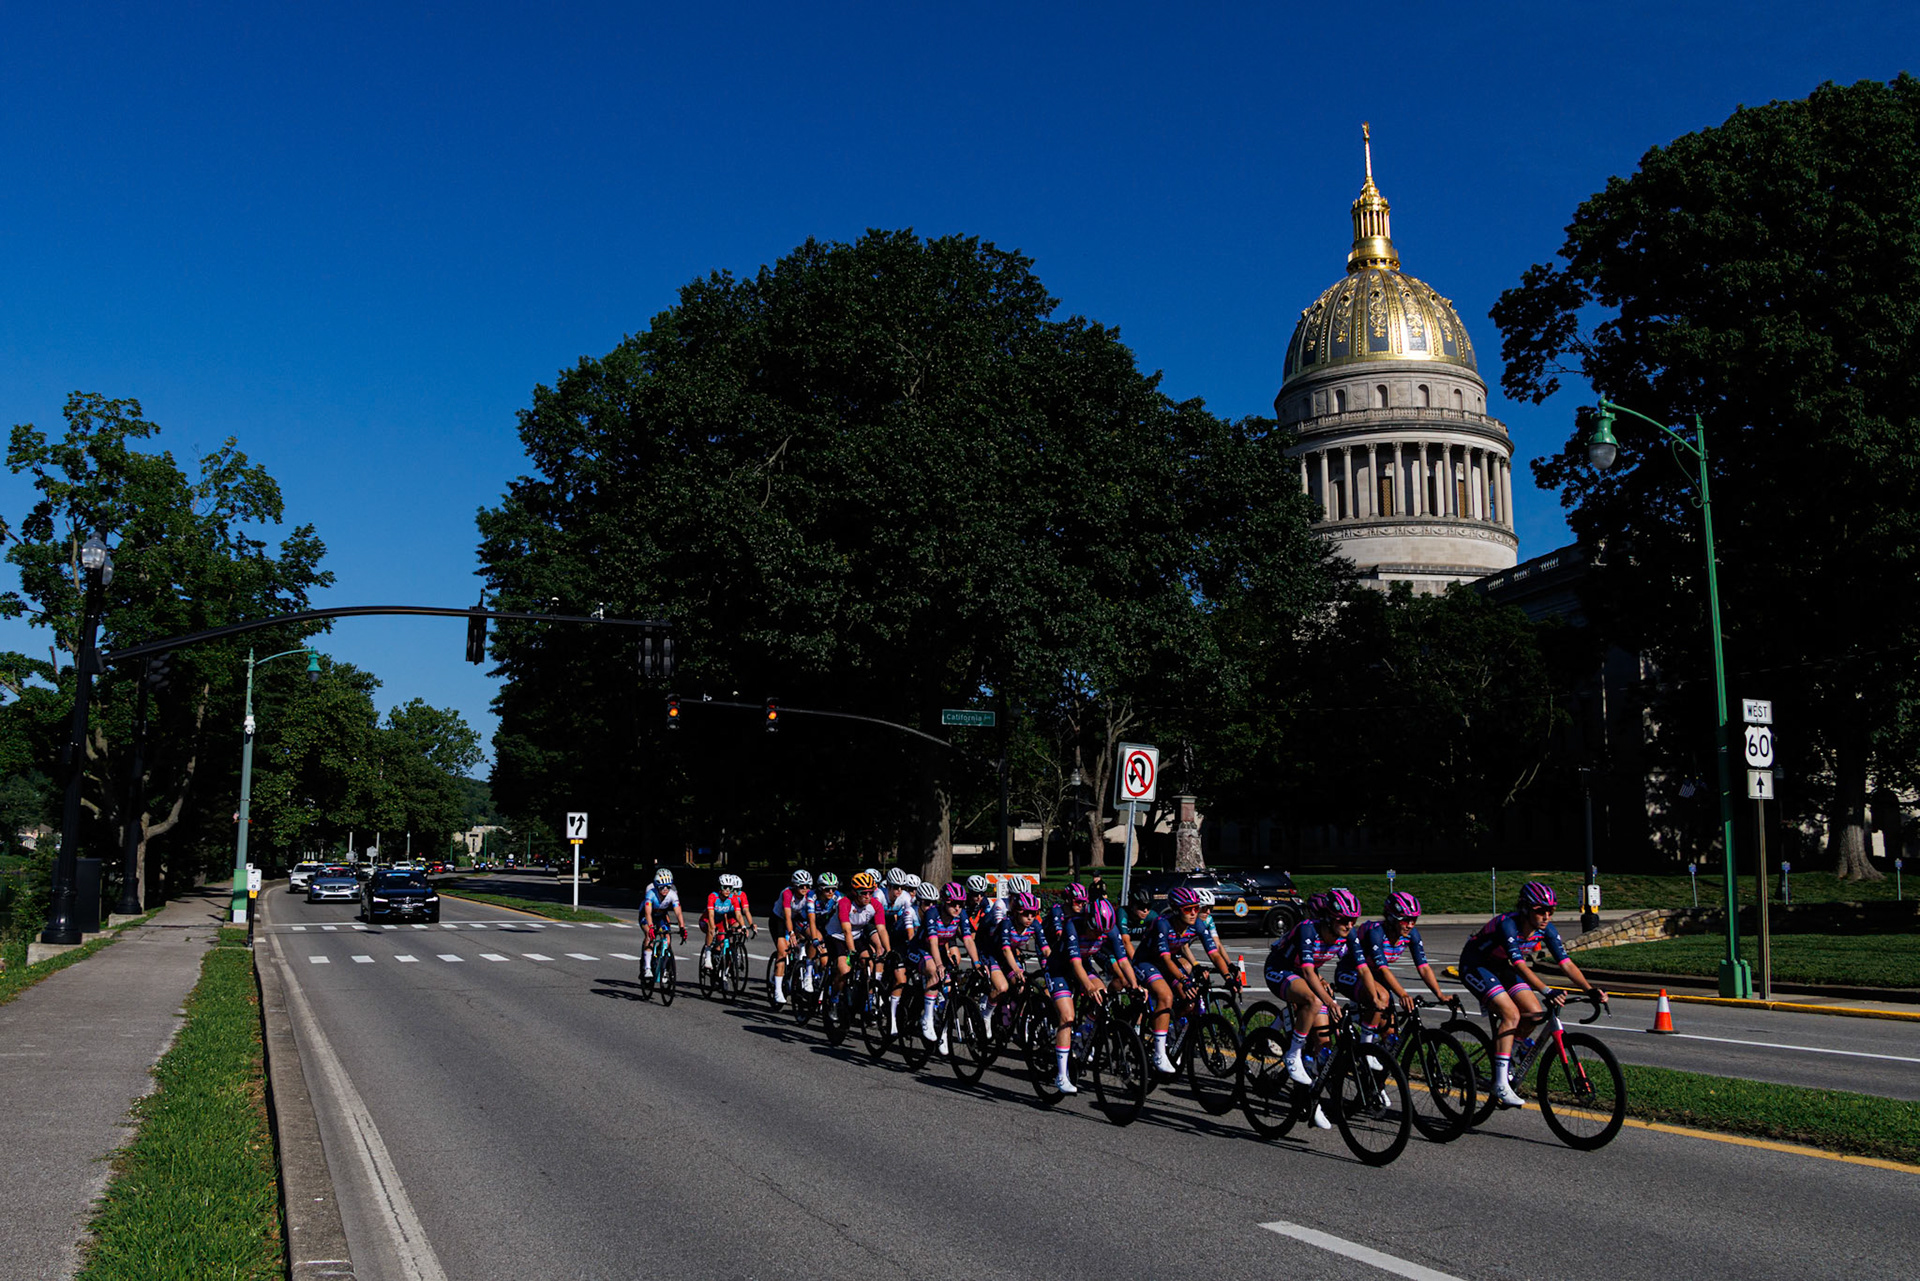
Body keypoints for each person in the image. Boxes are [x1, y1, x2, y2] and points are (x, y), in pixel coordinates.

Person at [1459, 882, 1605, 1108]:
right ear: (1526, 909)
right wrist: (1546, 990)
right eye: (1540, 911)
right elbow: (1519, 965)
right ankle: (1500, 1083)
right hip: (1475, 964)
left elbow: (1566, 964)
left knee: (1535, 1013)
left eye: (1551, 911)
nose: (1546, 916)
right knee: (1511, 1014)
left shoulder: (1547, 929)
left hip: (1500, 966)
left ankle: (1507, 1059)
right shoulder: (1508, 925)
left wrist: (1590, 989)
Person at [1262, 888, 1362, 1128]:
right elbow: (1306, 970)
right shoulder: (1308, 928)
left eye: (1353, 920)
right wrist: (1329, 1001)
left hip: (1304, 973)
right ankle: (1292, 1053)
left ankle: (1310, 1098)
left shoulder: (1347, 934)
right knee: (1314, 1001)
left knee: (1322, 1042)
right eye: (1343, 920)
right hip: (1280, 969)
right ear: (1328, 918)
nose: (1349, 925)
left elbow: (1363, 968)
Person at [1334, 891, 1448, 1037]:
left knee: (1390, 1034)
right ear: (1391, 919)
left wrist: (1440, 995)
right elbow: (1383, 970)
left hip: (1374, 977)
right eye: (1405, 920)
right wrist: (1403, 995)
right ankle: (1366, 1049)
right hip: (1351, 972)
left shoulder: (1411, 935)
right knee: (1382, 997)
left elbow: (1424, 968)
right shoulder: (1376, 933)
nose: (1410, 925)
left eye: (1414, 920)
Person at [1038, 883, 1107, 1094]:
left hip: (1079, 960)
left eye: (1083, 902)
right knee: (1067, 1016)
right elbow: (1060, 940)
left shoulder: (1098, 924)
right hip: (1058, 965)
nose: (1080, 905)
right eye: (1077, 902)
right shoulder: (1063, 917)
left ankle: (1082, 1034)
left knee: (1103, 995)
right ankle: (1061, 1074)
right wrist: (1087, 985)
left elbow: (1118, 959)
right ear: (1068, 901)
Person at [823, 870, 892, 1008]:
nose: (867, 896)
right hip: (837, 936)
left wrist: (889, 951)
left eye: (870, 892)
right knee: (844, 970)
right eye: (863, 893)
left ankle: (867, 999)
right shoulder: (845, 903)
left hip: (857, 936)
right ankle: (834, 998)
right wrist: (852, 952)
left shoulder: (875, 905)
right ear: (855, 892)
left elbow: (882, 929)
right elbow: (846, 930)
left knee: (870, 965)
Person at [769, 870, 817, 1006]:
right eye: (802, 886)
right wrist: (790, 933)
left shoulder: (810, 895)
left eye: (808, 886)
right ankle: (778, 990)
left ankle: (802, 968)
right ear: (795, 886)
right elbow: (787, 917)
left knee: (812, 937)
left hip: (797, 919)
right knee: (783, 952)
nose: (805, 889)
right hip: (779, 919)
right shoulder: (787, 893)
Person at [700, 873, 756, 973]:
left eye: (730, 888)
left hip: (720, 921)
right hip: (706, 920)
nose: (727, 890)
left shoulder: (733, 898)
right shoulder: (713, 897)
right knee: (711, 928)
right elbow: (711, 915)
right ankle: (707, 956)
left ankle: (719, 964)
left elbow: (739, 915)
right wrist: (713, 927)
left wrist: (744, 926)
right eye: (725, 887)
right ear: (720, 887)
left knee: (721, 943)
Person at [641, 868, 687, 946]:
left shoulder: (673, 894)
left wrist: (682, 927)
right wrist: (651, 927)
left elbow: (678, 913)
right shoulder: (651, 893)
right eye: (662, 887)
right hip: (646, 916)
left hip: (660, 916)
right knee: (649, 937)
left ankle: (661, 955)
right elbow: (647, 913)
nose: (665, 889)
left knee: (667, 939)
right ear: (656, 886)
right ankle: (647, 957)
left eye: (668, 887)